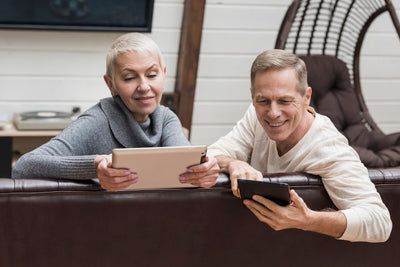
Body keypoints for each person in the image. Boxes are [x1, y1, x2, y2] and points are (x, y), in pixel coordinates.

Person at [207, 49, 392, 243]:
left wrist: (308, 220)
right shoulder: (255, 116)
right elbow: (212, 154)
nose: (273, 113)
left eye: (285, 101)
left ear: (306, 97)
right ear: (253, 97)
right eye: (263, 101)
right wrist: (233, 163)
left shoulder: (328, 147)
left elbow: (380, 223)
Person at [12, 32, 219, 191]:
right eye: (130, 78)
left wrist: (203, 172)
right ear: (111, 84)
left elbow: (183, 167)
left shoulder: (166, 118)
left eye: (152, 74)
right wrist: (96, 165)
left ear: (163, 75)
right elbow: (24, 167)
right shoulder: (97, 120)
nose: (144, 86)